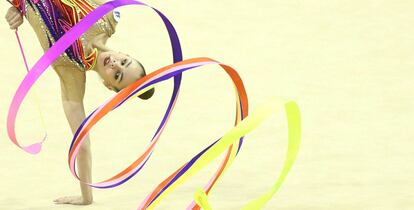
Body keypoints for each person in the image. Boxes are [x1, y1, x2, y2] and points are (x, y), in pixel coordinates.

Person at [4, 0, 154, 205]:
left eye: (117, 75)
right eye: (124, 62)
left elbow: (82, 144)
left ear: (109, 86)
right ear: (126, 54)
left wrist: (86, 196)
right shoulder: (109, 18)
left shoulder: (72, 72)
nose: (115, 64)